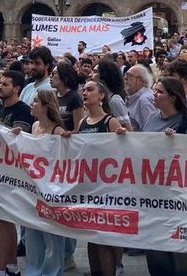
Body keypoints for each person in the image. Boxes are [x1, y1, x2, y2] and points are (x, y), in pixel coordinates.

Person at [141, 77, 187, 276]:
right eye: (154, 90)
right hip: (153, 196)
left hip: (179, 198)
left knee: (182, 255)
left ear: (173, 98)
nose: (154, 95)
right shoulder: (151, 119)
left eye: (159, 92)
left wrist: (177, 143)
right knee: (156, 253)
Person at [75, 81, 127, 276]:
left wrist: (123, 134)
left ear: (102, 96)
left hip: (108, 188)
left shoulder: (110, 122)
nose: (85, 93)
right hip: (89, 187)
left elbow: (126, 150)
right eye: (84, 90)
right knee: (91, 236)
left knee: (104, 236)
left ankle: (113, 268)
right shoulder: (81, 122)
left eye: (90, 89)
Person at [19, 89, 68, 276]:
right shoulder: (34, 127)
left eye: (36, 101)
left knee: (53, 236)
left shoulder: (58, 131)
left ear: (46, 106)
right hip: (34, 187)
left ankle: (53, 272)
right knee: (32, 234)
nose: (32, 104)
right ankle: (34, 271)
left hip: (52, 189)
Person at [0, 70, 32, 276]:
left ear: (16, 89)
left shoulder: (22, 110)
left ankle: (0, 269)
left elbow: (17, 141)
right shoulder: (0, 110)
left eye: (5, 84)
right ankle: (12, 266)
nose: (0, 87)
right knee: (2, 220)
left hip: (14, 173)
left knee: (4, 220)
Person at [124, 65, 158, 131]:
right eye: (125, 76)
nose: (125, 78)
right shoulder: (134, 97)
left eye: (129, 76)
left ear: (139, 80)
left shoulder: (145, 100)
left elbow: (151, 129)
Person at [50, 62, 82, 132]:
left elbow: (78, 128)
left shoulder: (74, 98)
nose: (50, 76)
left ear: (65, 77)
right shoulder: (52, 96)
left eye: (54, 73)